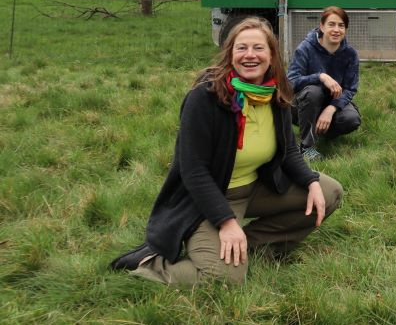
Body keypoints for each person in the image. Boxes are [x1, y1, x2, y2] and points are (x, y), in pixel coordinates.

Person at [108, 17, 343, 284]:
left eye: (258, 48)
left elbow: (289, 149)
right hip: (209, 198)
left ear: (271, 55)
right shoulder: (205, 97)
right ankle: (151, 266)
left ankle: (249, 248)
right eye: (241, 48)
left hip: (256, 188)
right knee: (225, 278)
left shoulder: (275, 91)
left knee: (329, 192)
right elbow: (193, 170)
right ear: (230, 54)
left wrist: (310, 182)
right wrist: (227, 222)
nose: (250, 55)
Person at [287, 6, 361, 160]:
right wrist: (320, 77)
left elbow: (350, 88)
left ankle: (319, 132)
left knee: (351, 119)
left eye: (341, 25)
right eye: (331, 24)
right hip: (302, 104)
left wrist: (331, 108)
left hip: (332, 102)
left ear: (346, 29)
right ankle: (306, 147)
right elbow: (291, 82)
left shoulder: (350, 54)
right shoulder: (305, 48)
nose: (336, 30)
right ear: (322, 26)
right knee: (313, 92)